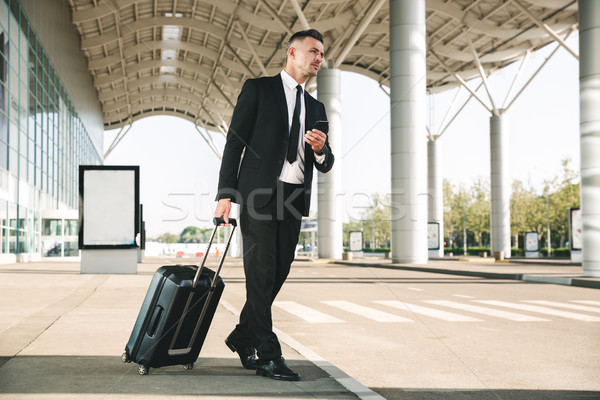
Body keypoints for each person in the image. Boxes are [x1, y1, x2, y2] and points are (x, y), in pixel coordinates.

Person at [214, 29, 334, 381]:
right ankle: (268, 354)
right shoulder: (258, 89)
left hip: (294, 197)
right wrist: (225, 195)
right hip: (257, 194)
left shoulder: (317, 107)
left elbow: (326, 164)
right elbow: (234, 144)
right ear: (292, 53)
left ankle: (242, 336)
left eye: (322, 54)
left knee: (277, 273)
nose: (318, 58)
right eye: (313, 51)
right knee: (260, 275)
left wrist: (320, 149)